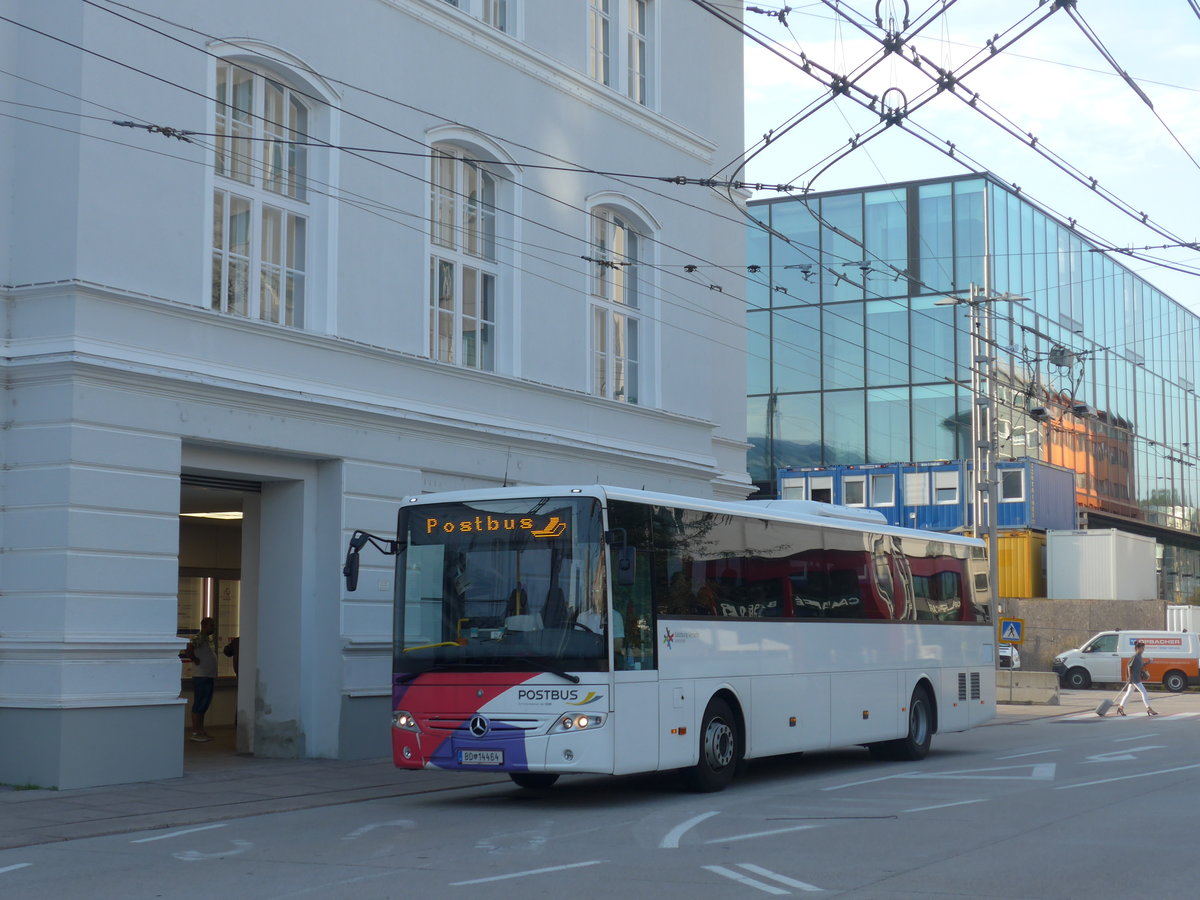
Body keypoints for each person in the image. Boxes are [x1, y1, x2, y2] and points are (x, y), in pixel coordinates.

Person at [185, 617, 218, 741]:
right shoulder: (199, 637)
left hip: (208, 675)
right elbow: (189, 648)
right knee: (199, 703)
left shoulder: (207, 639)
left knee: (205, 704)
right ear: (204, 625)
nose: (213, 628)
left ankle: (201, 730)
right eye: (211, 625)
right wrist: (194, 659)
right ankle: (195, 731)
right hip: (201, 676)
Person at [1116, 640, 1159, 716]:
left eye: (1143, 648)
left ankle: (1121, 707)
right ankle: (1149, 708)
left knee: (1129, 693)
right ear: (1138, 648)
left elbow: (1141, 666)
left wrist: (1148, 662)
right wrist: (1129, 677)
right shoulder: (1135, 656)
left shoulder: (1139, 656)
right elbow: (1129, 667)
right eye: (1142, 648)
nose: (1143, 650)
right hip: (1134, 679)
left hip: (1136, 678)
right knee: (1144, 692)